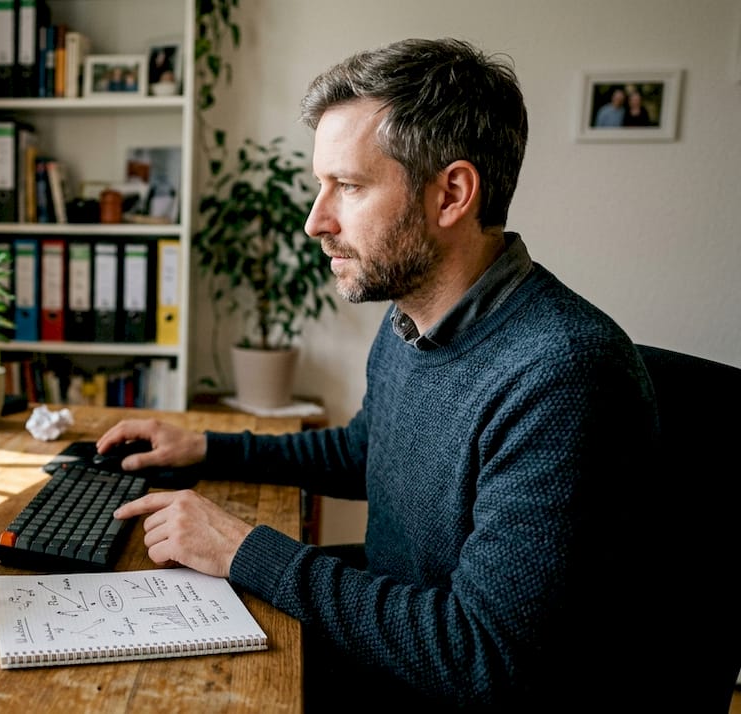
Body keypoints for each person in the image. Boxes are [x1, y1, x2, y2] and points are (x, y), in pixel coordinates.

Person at [98, 38, 664, 711]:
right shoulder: (413, 317)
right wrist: (209, 448)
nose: (316, 221)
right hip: (396, 646)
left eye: (350, 186)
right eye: (320, 185)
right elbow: (366, 450)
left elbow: (482, 655)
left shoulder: (563, 377)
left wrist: (246, 549)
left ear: (451, 193)